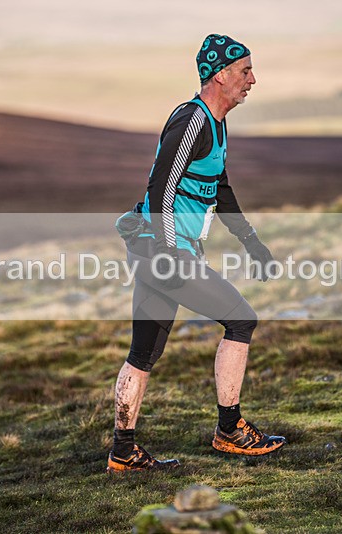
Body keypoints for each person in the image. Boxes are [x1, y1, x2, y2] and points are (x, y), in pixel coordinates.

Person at [107, 34, 286, 473]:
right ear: (220, 74)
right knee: (242, 319)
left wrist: (252, 242)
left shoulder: (217, 124)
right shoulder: (194, 120)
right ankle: (230, 431)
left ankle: (123, 452)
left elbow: (219, 191)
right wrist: (170, 251)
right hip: (163, 249)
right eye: (245, 71)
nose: (253, 80)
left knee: (144, 352)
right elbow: (161, 188)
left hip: (154, 248)